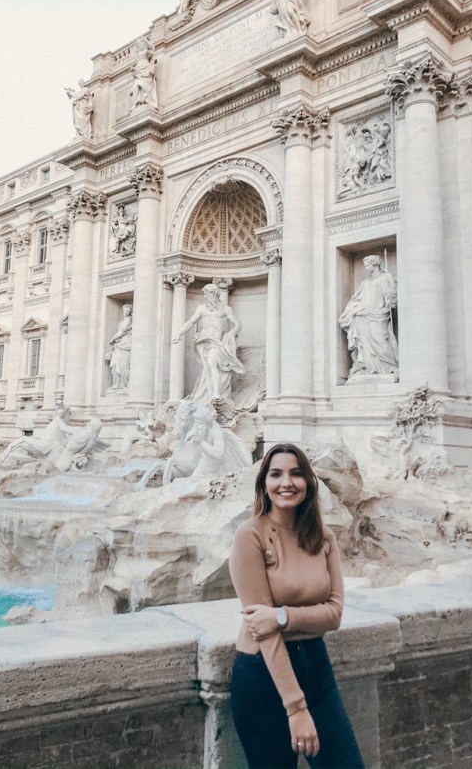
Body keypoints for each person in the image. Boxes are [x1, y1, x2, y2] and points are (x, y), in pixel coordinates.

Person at [229, 443, 365, 769]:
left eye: (296, 473)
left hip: (316, 667)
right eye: (276, 474)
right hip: (262, 674)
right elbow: (263, 632)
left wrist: (280, 615)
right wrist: (296, 707)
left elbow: (334, 614)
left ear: (308, 482)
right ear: (264, 484)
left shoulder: (324, 537)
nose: (286, 482)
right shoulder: (250, 535)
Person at [172, 282, 244, 402]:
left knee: (212, 363)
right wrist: (179, 334)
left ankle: (215, 393)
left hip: (216, 342)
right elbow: (190, 322)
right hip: (203, 342)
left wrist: (230, 333)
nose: (206, 296)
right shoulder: (201, 309)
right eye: (205, 293)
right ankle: (208, 393)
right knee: (208, 368)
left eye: (208, 293)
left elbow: (238, 325)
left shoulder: (225, 309)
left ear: (215, 294)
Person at [339, 255, 398, 377]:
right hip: (363, 312)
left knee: (379, 338)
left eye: (367, 265)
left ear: (375, 264)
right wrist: (349, 312)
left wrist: (390, 280)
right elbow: (357, 298)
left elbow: (391, 296)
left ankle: (390, 366)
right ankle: (370, 366)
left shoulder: (384, 278)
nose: (365, 268)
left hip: (379, 313)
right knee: (364, 341)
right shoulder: (365, 282)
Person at [105, 304, 133, 391]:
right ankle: (116, 384)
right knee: (115, 364)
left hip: (125, 344)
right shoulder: (124, 321)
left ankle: (122, 384)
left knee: (122, 364)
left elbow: (122, 331)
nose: (126, 312)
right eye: (125, 310)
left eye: (128, 311)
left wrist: (112, 339)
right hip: (120, 344)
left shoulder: (128, 320)